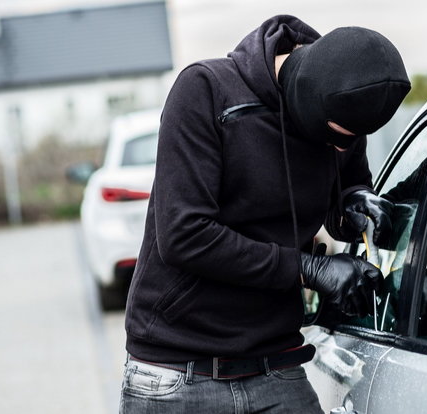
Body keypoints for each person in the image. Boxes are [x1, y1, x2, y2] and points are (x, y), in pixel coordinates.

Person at [121, 15, 410, 413]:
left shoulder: (342, 113)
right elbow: (184, 235)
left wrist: (354, 202)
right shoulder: (206, 91)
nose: (345, 149)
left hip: (276, 365)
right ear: (306, 101)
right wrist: (307, 269)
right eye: (339, 138)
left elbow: (337, 199)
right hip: (177, 372)